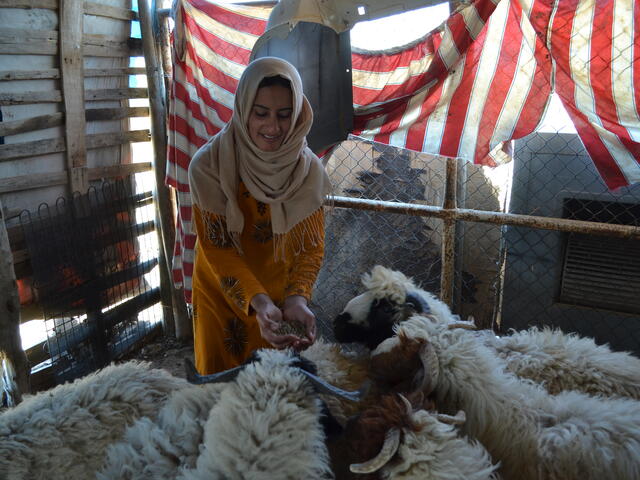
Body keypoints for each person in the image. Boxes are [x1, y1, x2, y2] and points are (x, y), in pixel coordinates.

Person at [187, 57, 331, 375]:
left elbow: (310, 246)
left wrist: (297, 298)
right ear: (243, 109)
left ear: (296, 116)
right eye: (261, 113)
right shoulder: (207, 166)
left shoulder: (308, 171)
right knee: (220, 385)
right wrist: (258, 301)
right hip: (221, 291)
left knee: (273, 388)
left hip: (279, 298)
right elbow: (218, 247)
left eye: (283, 115)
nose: (273, 127)